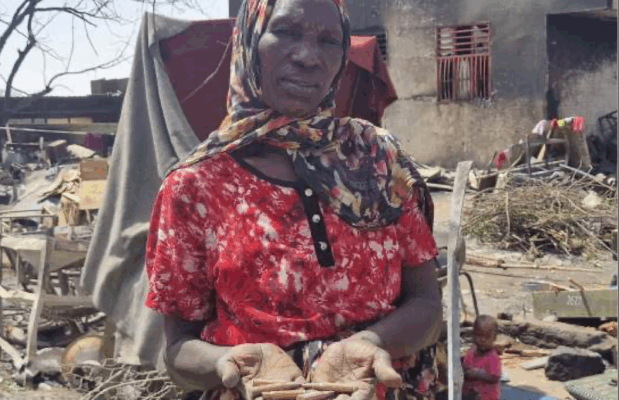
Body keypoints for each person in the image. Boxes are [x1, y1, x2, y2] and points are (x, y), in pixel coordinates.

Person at [144, 0, 444, 399]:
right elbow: (178, 351)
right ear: (248, 39)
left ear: (341, 58)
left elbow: (426, 304)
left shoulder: (377, 158)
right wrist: (224, 363)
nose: (307, 57)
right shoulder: (194, 186)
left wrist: (371, 343)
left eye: (328, 41)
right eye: (285, 32)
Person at [462, 315, 502, 400]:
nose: (483, 340)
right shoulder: (471, 352)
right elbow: (465, 368)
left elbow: (495, 377)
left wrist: (477, 374)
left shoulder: (493, 357)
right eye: (479, 336)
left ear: (494, 338)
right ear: (473, 335)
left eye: (487, 337)